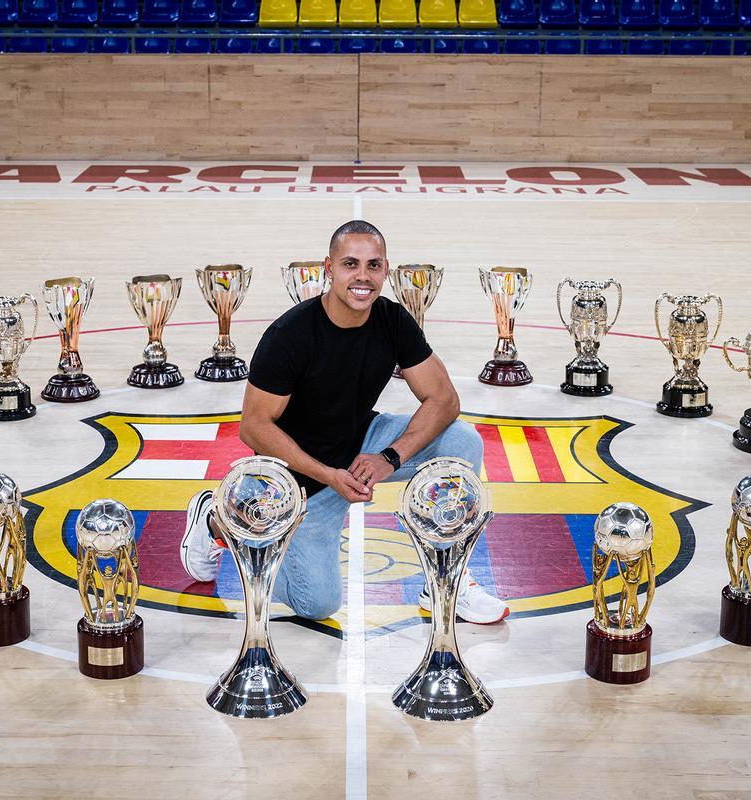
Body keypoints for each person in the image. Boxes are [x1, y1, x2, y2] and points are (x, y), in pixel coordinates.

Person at [180, 220, 508, 624]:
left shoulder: (392, 320)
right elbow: (255, 428)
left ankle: (445, 580)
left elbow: (444, 399)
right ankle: (223, 519)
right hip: (298, 482)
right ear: (329, 268)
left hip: (361, 445)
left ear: (386, 270)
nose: (362, 277)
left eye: (373, 266)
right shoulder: (290, 334)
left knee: (462, 441)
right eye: (350, 264)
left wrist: (389, 456)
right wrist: (328, 475)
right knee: (317, 604)